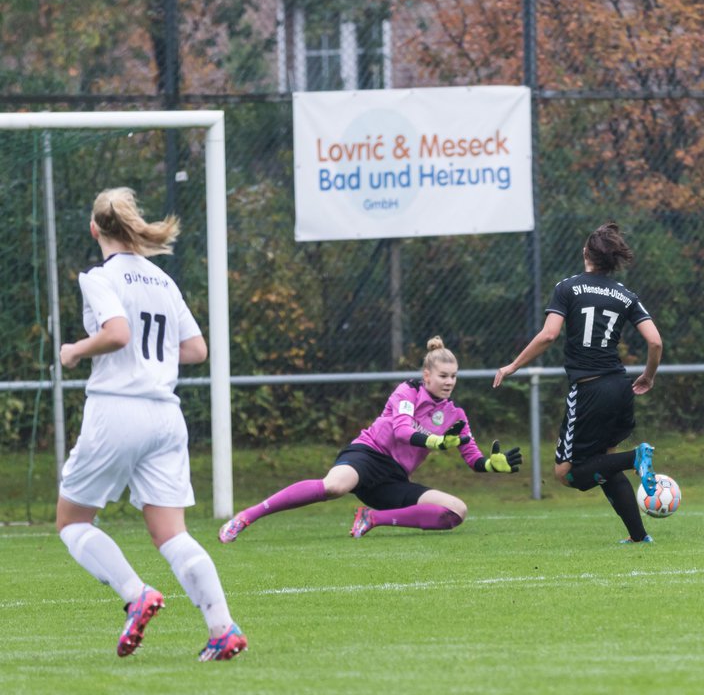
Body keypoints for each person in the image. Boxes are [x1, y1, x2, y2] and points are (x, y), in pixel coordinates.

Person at [57, 187, 246, 661]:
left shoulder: (99, 277)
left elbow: (117, 334)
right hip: (166, 415)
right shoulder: (163, 281)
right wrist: (153, 355)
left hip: (117, 410)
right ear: (132, 225)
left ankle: (135, 593)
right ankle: (222, 629)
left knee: (72, 520)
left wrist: (76, 350)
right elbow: (196, 349)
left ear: (95, 228)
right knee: (172, 533)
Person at [220, 336, 521, 542]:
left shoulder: (455, 414)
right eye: (443, 375)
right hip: (367, 456)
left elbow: (472, 457)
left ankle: (373, 518)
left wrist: (492, 465)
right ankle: (247, 516)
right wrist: (436, 443)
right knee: (335, 486)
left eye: (454, 376)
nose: (449, 382)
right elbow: (403, 430)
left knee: (456, 511)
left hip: (394, 478)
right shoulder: (408, 391)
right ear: (426, 375)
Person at [493, 221, 663, 544]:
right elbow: (655, 342)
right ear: (612, 260)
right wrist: (649, 376)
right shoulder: (626, 295)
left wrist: (513, 365)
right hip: (620, 387)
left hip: (589, 390)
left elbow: (549, 334)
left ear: (585, 252)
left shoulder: (568, 287)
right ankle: (639, 537)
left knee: (566, 473)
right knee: (604, 464)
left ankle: (635, 458)